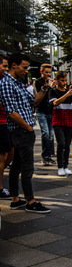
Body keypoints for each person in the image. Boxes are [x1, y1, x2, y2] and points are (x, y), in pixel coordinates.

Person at [0, 52, 50, 213]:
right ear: (14, 65)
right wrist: (27, 127)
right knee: (27, 167)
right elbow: (11, 111)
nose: (26, 70)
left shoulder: (19, 83)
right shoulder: (7, 84)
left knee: (17, 165)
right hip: (21, 131)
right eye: (24, 67)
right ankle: (30, 201)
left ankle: (15, 199)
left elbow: (34, 101)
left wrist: (44, 89)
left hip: (23, 130)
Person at [49, 71, 72, 177]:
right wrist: (67, 94)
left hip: (69, 120)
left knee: (67, 144)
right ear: (57, 81)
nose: (64, 83)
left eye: (65, 80)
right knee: (61, 143)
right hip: (58, 120)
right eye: (62, 80)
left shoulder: (69, 92)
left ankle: (66, 166)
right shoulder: (53, 91)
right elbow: (55, 103)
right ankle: (60, 166)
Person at [34, 63, 55, 166]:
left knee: (51, 135)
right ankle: (44, 156)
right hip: (41, 111)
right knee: (45, 133)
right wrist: (46, 87)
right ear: (41, 72)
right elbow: (38, 96)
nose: (48, 74)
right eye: (46, 72)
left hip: (50, 111)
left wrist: (53, 88)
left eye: (49, 73)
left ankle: (49, 155)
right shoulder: (38, 82)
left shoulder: (52, 82)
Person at [0, 54, 14, 199]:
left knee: (10, 154)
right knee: (2, 156)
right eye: (4, 66)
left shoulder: (6, 81)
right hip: (1, 122)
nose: (6, 69)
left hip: (6, 121)